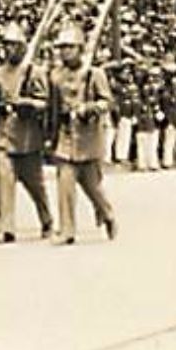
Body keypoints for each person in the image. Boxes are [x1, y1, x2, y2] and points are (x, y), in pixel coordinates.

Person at [0, 21, 55, 243]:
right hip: (5, 134)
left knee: (34, 184)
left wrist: (27, 103)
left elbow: (44, 102)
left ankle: (47, 220)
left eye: (14, 45)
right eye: (6, 45)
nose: (9, 50)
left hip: (27, 135)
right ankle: (6, 227)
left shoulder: (34, 72)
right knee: (4, 180)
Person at [48, 25, 116, 244]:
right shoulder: (56, 76)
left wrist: (89, 108)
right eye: (62, 48)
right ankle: (67, 230)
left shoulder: (95, 74)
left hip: (88, 138)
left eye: (70, 47)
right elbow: (54, 109)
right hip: (66, 136)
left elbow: (107, 102)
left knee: (92, 187)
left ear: (80, 48)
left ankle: (107, 214)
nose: (65, 52)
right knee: (65, 185)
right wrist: (50, 136)